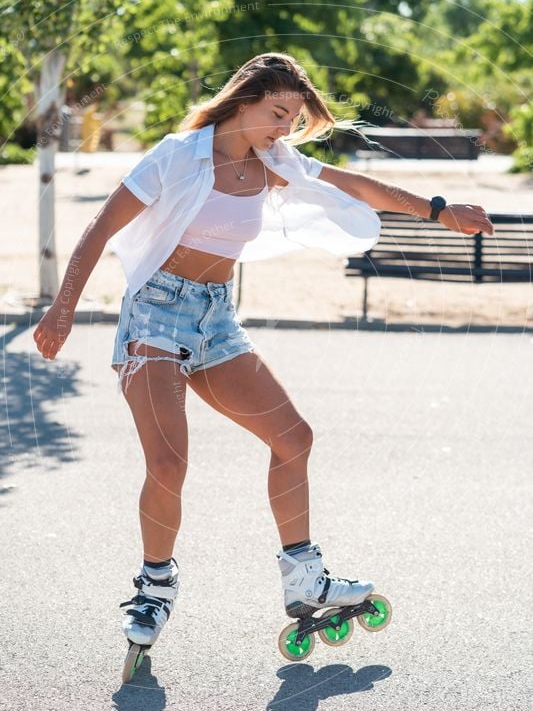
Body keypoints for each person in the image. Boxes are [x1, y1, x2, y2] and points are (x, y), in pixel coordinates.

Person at [33, 52, 495, 653]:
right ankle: (154, 583)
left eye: (293, 119)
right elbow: (101, 227)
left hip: (216, 316)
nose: (284, 128)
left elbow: (350, 184)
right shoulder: (178, 155)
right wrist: (62, 308)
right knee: (169, 463)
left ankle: (305, 578)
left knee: (294, 438)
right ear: (242, 101)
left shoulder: (274, 161)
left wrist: (437, 210)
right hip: (155, 312)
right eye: (277, 113)